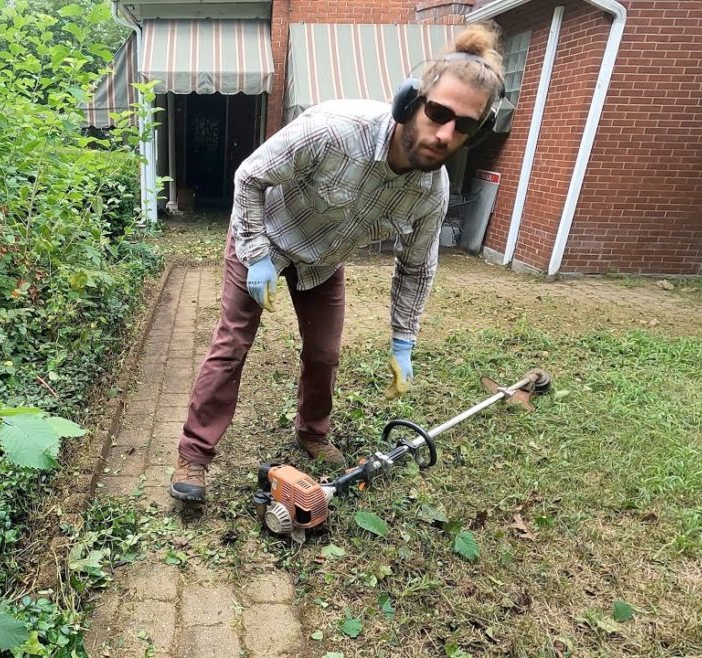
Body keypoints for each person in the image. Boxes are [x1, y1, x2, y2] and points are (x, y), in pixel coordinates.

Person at [169, 23, 506, 502]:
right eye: (438, 112)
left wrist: (403, 342)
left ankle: (312, 432)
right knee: (233, 344)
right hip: (265, 237)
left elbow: (416, 268)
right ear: (411, 102)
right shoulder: (333, 130)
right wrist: (258, 256)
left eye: (465, 125)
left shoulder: (430, 193)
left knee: (325, 353)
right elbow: (249, 177)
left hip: (322, 261)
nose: (445, 133)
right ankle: (195, 455)